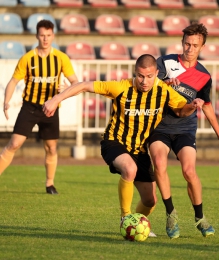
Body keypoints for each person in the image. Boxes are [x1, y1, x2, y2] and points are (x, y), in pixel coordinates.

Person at [42, 54, 204, 232]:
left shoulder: (163, 90)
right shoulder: (120, 87)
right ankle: (125, 218)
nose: (144, 81)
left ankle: (135, 224)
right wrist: (55, 99)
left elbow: (181, 110)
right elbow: (83, 85)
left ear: (157, 73)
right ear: (135, 73)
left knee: (150, 201)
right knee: (130, 169)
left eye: (150, 76)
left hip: (139, 150)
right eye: (140, 76)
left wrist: (193, 105)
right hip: (114, 142)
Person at [148, 23, 219, 239]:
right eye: (187, 44)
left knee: (189, 172)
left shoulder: (204, 76)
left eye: (194, 45)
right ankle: (171, 214)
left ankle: (200, 217)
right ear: (182, 42)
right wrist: (164, 82)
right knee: (159, 163)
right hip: (159, 125)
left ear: (202, 46)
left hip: (185, 127)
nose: (189, 48)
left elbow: (206, 105)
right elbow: (147, 85)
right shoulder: (165, 62)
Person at [0, 20, 78, 194]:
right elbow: (13, 81)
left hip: (50, 109)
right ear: (36, 36)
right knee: (14, 144)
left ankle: (50, 184)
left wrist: (66, 89)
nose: (45, 39)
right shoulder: (28, 58)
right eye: (42, 35)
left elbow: (75, 82)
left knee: (51, 147)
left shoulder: (61, 58)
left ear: (53, 36)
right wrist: (6, 101)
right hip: (30, 107)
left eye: (48, 35)